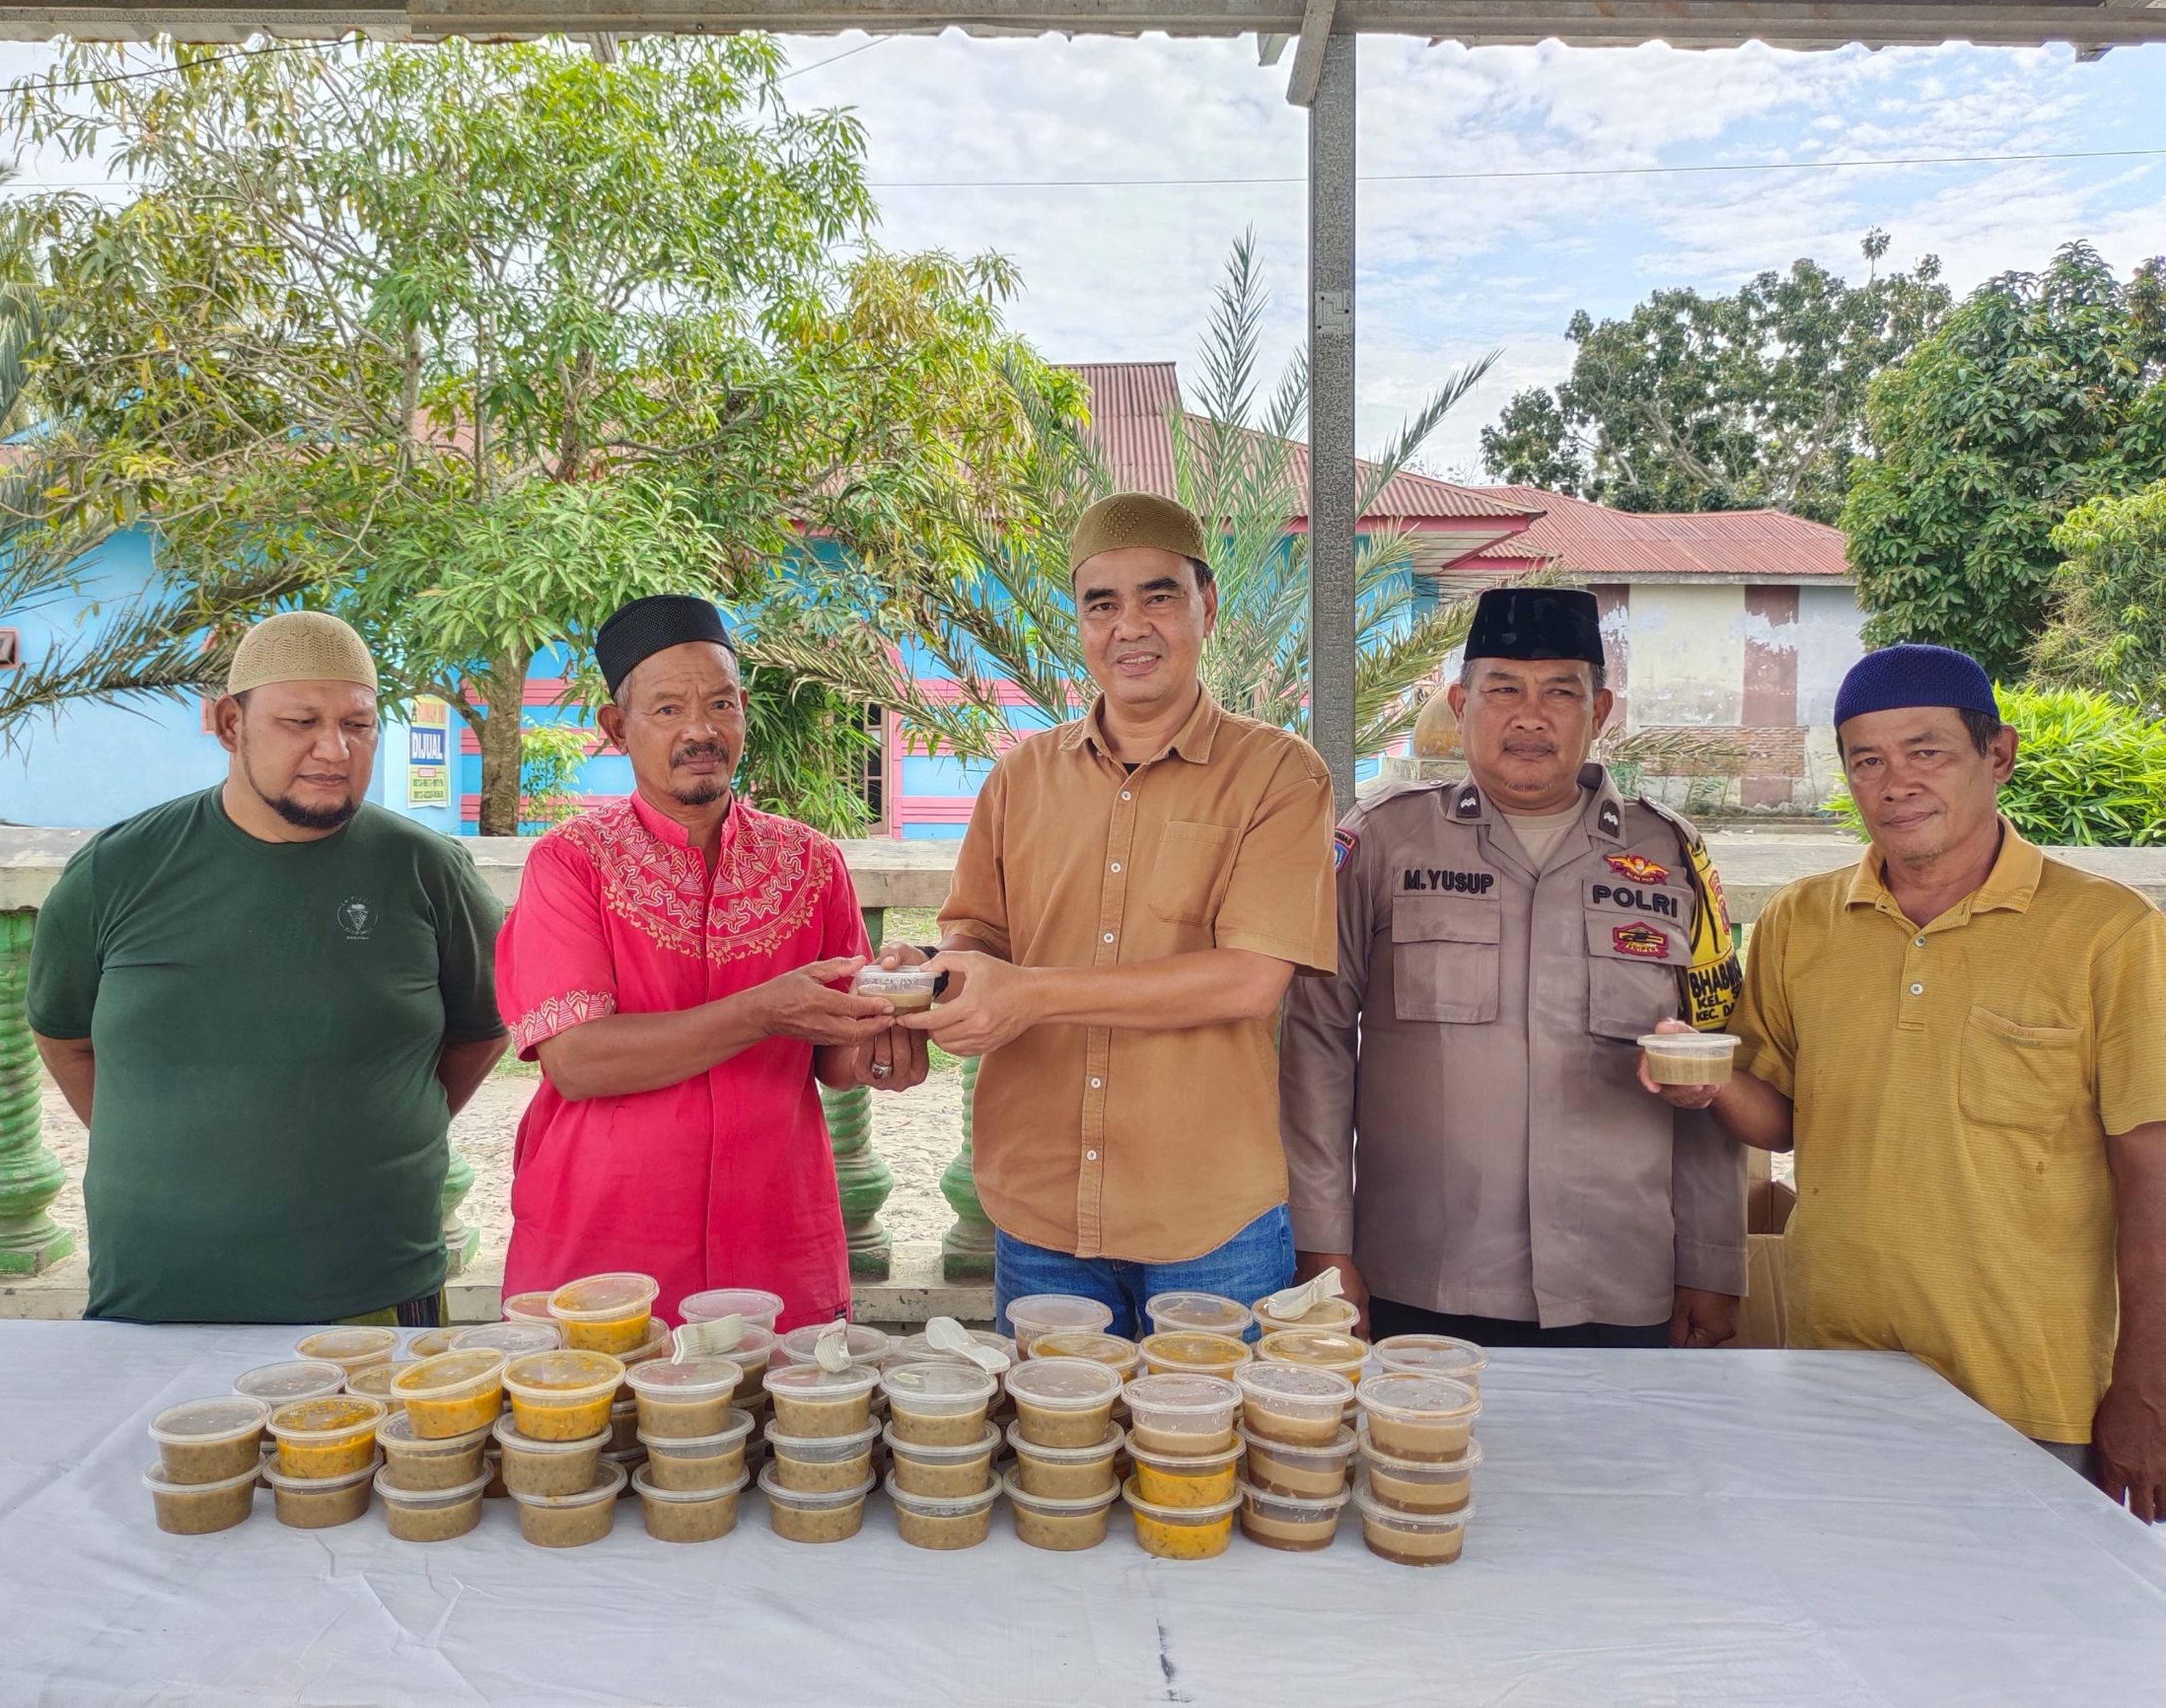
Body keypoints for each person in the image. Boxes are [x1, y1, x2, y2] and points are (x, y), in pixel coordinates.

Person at [1648, 644, 2165, 1520]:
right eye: (1868, 761)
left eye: (1927, 752)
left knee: (2017, 1609)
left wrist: (2147, 1385)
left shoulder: (2107, 933)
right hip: (1833, 1377)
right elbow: (1783, 1119)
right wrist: (1708, 1080)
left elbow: (2153, 1177)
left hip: (2027, 1395)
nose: (1896, 784)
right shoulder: (1801, 919)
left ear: (1997, 754)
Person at [892, 493, 1338, 1337]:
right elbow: (978, 933)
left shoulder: (1279, 774)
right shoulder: (1020, 778)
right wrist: (932, 972)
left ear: (1207, 606)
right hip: (1041, 1208)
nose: (1130, 625)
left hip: (1210, 1215)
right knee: (1053, 1425)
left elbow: (1250, 979)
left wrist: (1031, 993)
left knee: (1210, 1425)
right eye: (1102, 604)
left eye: (1158, 595)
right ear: (1081, 624)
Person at [1279, 586, 1748, 1349]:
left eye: (1560, 692)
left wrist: (1711, 1259)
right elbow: (1314, 1045)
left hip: (1621, 1281)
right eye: (1503, 690)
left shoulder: (1671, 855)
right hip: (1420, 1275)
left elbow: (1711, 1065)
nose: (1530, 716)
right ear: (1461, 705)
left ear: (1600, 712)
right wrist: (1321, 1241)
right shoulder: (1385, 841)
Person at [28, 610, 507, 1325]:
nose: (334, 749)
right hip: (155, 1292)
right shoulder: (118, 869)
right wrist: (175, 1153)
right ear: (231, 725)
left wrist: (378, 1127)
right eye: (300, 722)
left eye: (358, 724)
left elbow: (483, 1030)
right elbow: (64, 1036)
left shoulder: (427, 870)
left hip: (372, 1289)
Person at [492, 595, 922, 1328]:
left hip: (774, 1235)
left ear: (743, 712)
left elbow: (834, 1056)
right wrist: (759, 1012)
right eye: (668, 709)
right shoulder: (570, 862)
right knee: (598, 1403)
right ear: (616, 727)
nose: (701, 730)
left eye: (721, 703)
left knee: (786, 1403)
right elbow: (579, 1060)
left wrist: (887, 1040)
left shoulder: (810, 861)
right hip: (607, 1243)